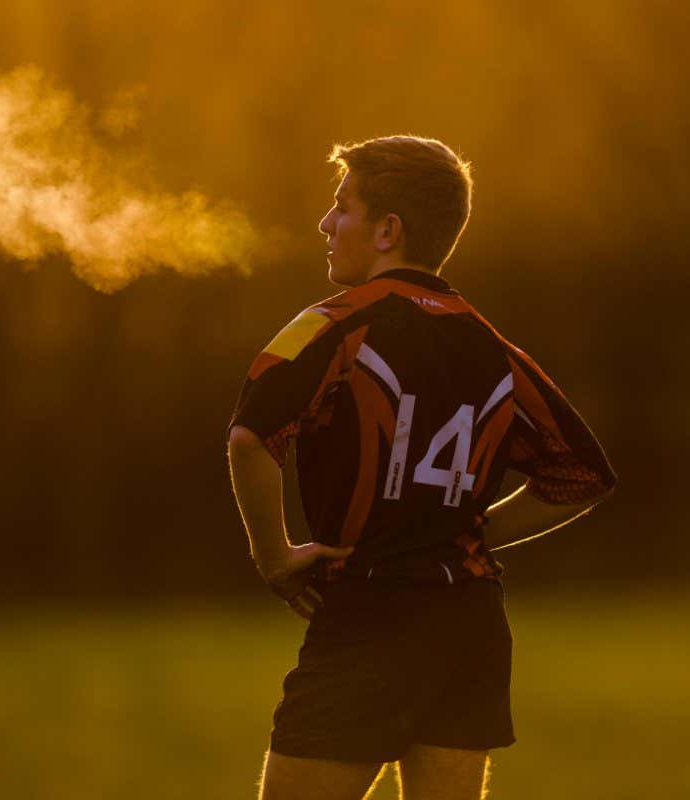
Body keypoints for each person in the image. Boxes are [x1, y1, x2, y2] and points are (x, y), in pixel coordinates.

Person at [227, 135, 617, 800]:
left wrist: (273, 557)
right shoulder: (494, 346)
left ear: (388, 229)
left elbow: (251, 438)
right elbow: (580, 477)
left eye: (341, 207)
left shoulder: (333, 325)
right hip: (470, 626)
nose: (326, 224)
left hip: (371, 614)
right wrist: (463, 536)